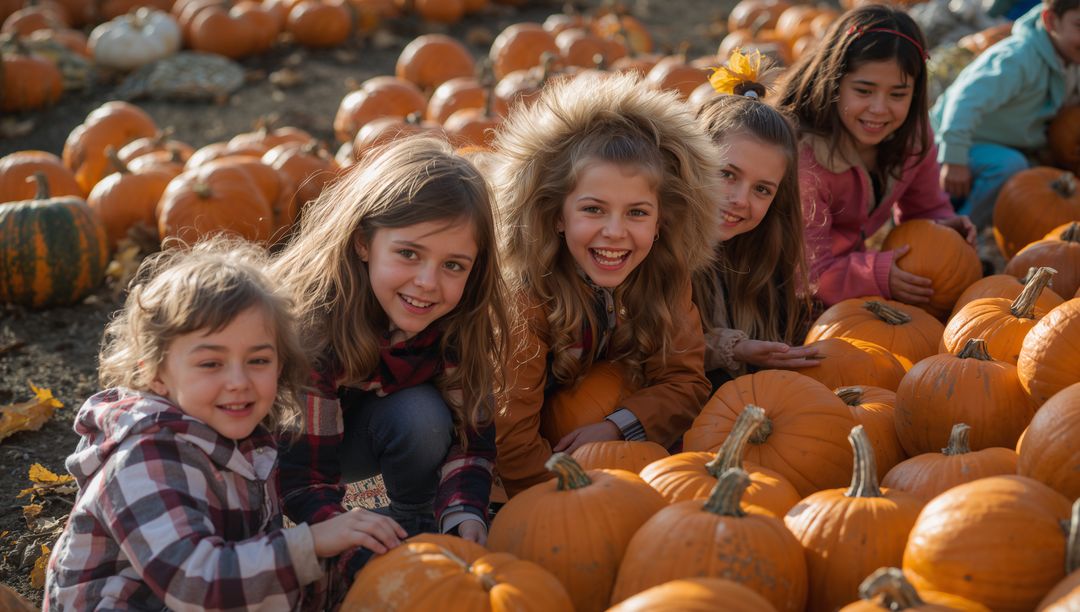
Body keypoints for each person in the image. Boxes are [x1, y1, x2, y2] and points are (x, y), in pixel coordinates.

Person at [45, 238, 406, 611]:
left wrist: (365, 567)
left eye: (258, 361)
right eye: (211, 364)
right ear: (155, 375)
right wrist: (311, 542)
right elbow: (196, 583)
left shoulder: (245, 436)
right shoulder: (142, 458)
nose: (239, 381)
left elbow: (254, 560)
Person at [271, 136, 508, 583]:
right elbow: (303, 478)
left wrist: (466, 514)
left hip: (359, 437)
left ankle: (416, 524)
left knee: (422, 416)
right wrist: (352, 549)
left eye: (453, 265)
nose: (427, 283)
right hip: (286, 452)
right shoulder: (314, 328)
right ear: (364, 242)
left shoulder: (457, 324)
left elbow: (471, 442)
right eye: (409, 253)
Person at [491, 71, 719, 498]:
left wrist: (618, 427)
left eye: (636, 213)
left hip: (595, 437)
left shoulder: (664, 275)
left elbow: (685, 382)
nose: (615, 232)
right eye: (594, 210)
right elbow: (509, 429)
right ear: (557, 216)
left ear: (660, 221)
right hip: (511, 449)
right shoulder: (525, 292)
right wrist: (562, 501)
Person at [777, 4, 977, 308]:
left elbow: (926, 207)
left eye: (898, 95)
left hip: (848, 272)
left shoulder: (913, 138)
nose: (880, 109)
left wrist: (942, 228)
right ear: (834, 81)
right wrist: (876, 275)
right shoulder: (806, 162)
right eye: (864, 91)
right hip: (789, 289)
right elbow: (806, 274)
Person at [693, 49, 820, 389]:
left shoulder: (758, 257)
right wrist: (737, 348)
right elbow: (655, 345)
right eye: (727, 174)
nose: (740, 200)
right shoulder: (656, 247)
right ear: (694, 163)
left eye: (762, 190)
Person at [932, 0, 1080, 230]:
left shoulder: (1070, 59)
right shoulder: (1018, 58)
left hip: (995, 146)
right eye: (1079, 26)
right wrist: (954, 158)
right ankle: (954, 231)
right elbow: (965, 100)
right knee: (1011, 167)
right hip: (949, 144)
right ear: (1051, 20)